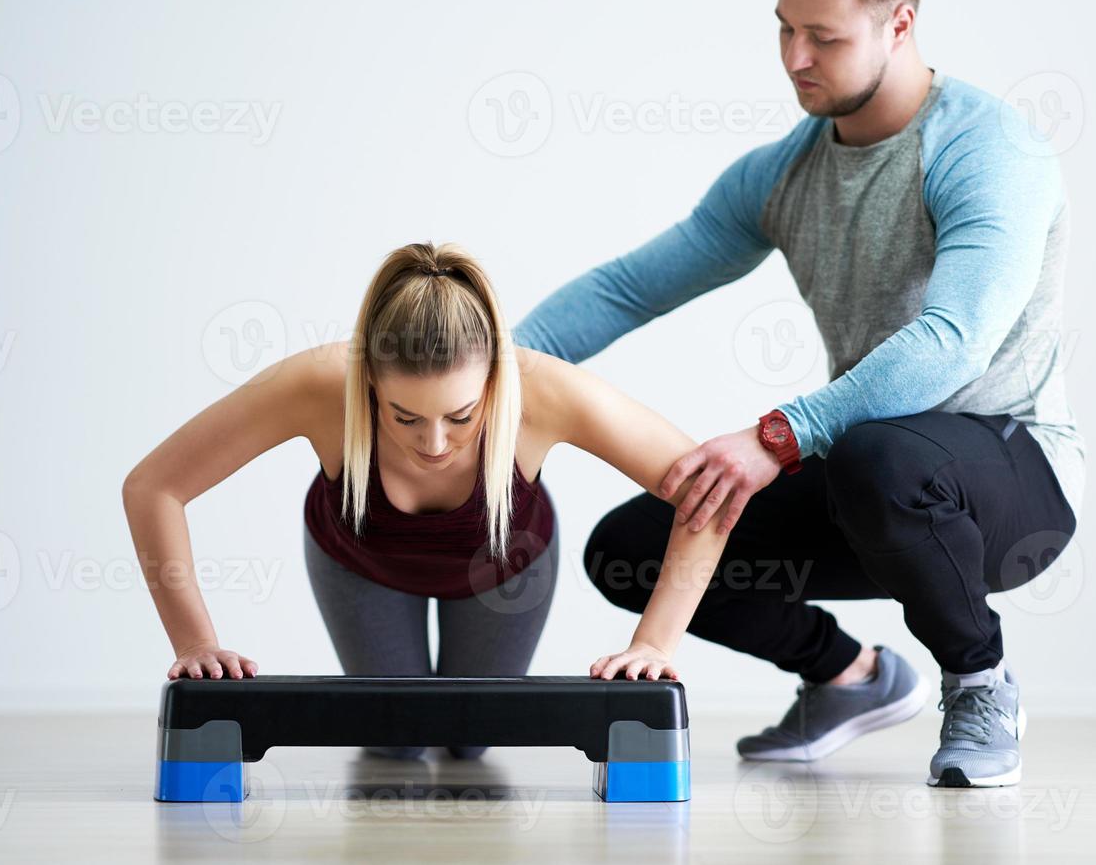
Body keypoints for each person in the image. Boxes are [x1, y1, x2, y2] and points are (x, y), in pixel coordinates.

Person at [512, 0, 1085, 788]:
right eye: (783, 29)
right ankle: (848, 676)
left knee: (874, 454)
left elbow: (953, 340)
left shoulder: (986, 149)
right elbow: (629, 288)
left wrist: (777, 436)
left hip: (1011, 478)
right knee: (629, 549)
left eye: (823, 37)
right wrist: (487, 381)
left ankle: (977, 681)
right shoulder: (785, 172)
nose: (793, 59)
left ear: (900, 23)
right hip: (872, 476)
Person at [121, 241, 731, 761]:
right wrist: (195, 644)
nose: (434, 443)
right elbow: (154, 486)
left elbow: (711, 492)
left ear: (494, 380)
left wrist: (654, 643)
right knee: (396, 741)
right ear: (367, 384)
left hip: (504, 565)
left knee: (473, 741)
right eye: (404, 417)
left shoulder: (544, 391)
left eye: (461, 416)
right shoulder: (317, 385)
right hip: (359, 561)